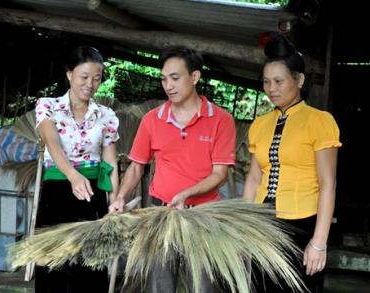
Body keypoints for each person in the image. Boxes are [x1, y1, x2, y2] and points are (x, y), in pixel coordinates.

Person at [109, 47, 236, 292]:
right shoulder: (152, 120)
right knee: (159, 282)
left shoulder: (221, 120)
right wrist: (120, 198)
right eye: (164, 79)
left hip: (204, 215)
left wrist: (187, 194)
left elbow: (220, 174)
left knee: (202, 284)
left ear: (195, 77)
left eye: (175, 78)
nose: (169, 85)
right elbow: (137, 168)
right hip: (161, 211)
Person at [242, 34, 341, 293]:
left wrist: (319, 242)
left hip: (302, 224)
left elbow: (328, 184)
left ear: (299, 80)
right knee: (260, 286)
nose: (271, 88)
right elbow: (253, 178)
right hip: (261, 223)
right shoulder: (260, 124)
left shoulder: (319, 121)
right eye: (266, 82)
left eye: (278, 81)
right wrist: (242, 226)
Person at [34, 46, 119, 293]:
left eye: (97, 78)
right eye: (84, 77)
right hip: (57, 191)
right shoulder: (47, 106)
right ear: (69, 74)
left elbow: (110, 163)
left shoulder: (106, 115)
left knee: (92, 267)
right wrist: (72, 175)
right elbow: (53, 144)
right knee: (51, 263)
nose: (90, 84)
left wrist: (114, 203)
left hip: (92, 195)